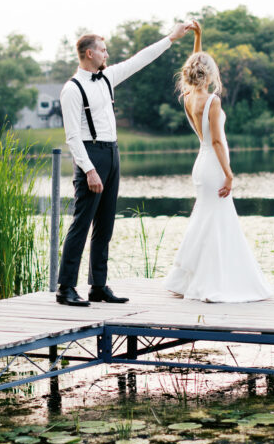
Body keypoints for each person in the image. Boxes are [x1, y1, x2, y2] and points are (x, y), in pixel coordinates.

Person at [56, 22, 194, 306]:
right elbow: (72, 137)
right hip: (90, 157)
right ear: (89, 54)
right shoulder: (72, 89)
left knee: (105, 225)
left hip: (112, 153)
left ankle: (98, 286)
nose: (107, 55)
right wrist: (89, 170)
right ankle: (65, 287)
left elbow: (139, 60)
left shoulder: (107, 78)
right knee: (82, 223)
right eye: (103, 50)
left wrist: (171, 37)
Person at [163, 23, 272, 302]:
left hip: (200, 165)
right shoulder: (212, 101)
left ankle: (185, 279)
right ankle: (210, 282)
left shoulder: (188, 97)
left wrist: (198, 37)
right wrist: (230, 174)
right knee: (218, 221)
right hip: (213, 166)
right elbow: (217, 142)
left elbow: (195, 62)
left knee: (206, 218)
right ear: (208, 74)